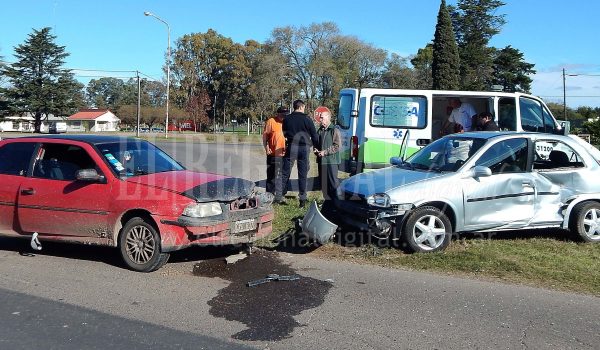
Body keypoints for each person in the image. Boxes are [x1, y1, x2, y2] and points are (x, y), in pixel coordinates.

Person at [280, 100, 319, 208]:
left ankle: (279, 196)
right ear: (302, 107)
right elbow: (314, 135)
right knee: (302, 174)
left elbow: (284, 133)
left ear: (294, 107)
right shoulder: (307, 119)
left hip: (291, 146)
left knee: (285, 172)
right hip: (303, 148)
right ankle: (302, 199)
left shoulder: (287, 119)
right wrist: (316, 146)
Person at [262, 106, 288, 200]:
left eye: (285, 114)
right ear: (278, 113)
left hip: (285, 154)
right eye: (282, 113)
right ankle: (269, 195)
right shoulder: (271, 121)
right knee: (271, 175)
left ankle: (281, 194)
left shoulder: (287, 122)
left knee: (283, 175)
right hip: (273, 153)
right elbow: (265, 137)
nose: (284, 115)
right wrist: (267, 147)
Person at [315, 108, 341, 201]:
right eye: (320, 118)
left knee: (333, 184)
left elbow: (337, 146)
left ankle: (337, 203)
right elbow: (317, 143)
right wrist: (316, 150)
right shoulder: (320, 130)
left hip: (331, 162)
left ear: (328, 118)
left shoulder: (334, 130)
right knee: (323, 184)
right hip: (321, 161)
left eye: (322, 118)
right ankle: (327, 203)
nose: (320, 120)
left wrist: (325, 152)